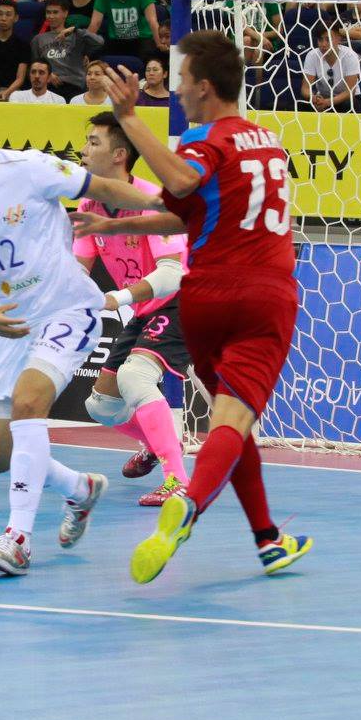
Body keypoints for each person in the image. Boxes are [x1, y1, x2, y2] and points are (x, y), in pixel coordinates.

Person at [87, 33, 313, 582]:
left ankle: (267, 539)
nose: (178, 91)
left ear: (205, 86)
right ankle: (188, 504)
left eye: (182, 81)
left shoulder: (205, 139)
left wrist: (131, 122)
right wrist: (129, 119)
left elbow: (183, 193)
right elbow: (187, 190)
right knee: (232, 419)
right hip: (261, 297)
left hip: (204, 301)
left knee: (231, 421)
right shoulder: (267, 141)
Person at [0, 90, 160, 575]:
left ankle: (18, 538)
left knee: (29, 404)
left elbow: (108, 188)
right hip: (11, 324)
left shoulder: (29, 168)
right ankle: (79, 488)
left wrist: (173, 204)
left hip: (68, 308)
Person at [74, 112, 192, 507]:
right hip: (144, 309)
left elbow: (173, 274)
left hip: (182, 300)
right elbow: (78, 270)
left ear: (119, 155)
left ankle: (178, 480)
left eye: (93, 142)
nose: (83, 150)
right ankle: (161, 445)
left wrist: (117, 299)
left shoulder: (151, 202)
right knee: (102, 406)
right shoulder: (90, 204)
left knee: (135, 376)